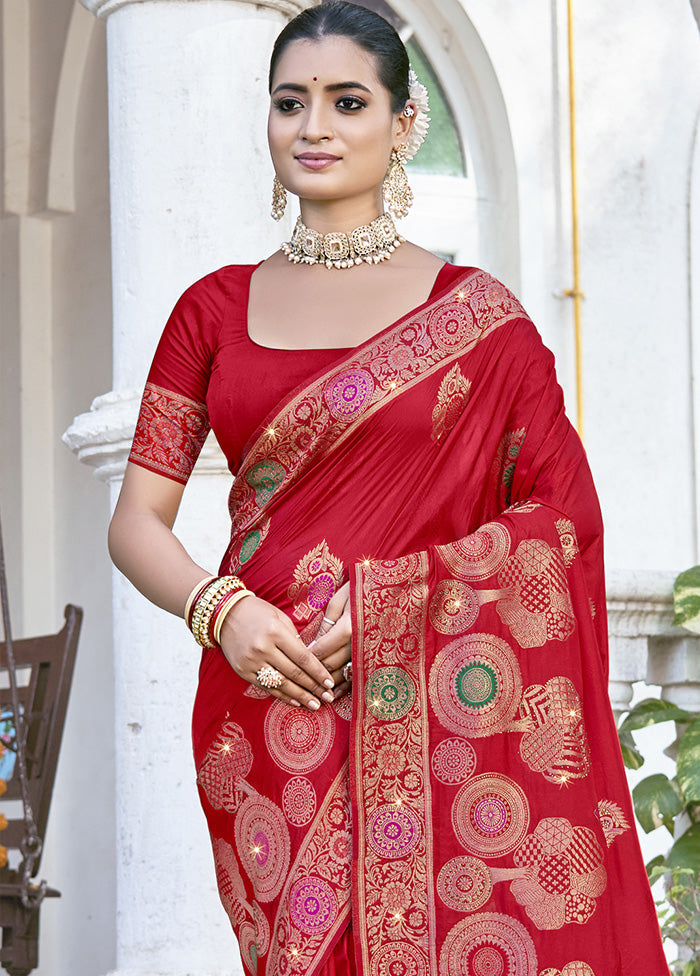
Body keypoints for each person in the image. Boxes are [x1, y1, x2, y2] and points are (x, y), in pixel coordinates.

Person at [108, 3, 669, 974]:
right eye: (290, 102)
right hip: (265, 696)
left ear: (402, 124)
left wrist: (395, 606)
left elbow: (562, 520)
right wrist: (222, 611)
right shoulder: (210, 309)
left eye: (346, 100)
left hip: (438, 697)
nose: (312, 127)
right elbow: (135, 522)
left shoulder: (481, 321)